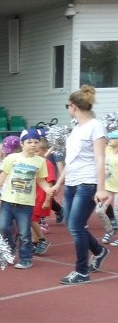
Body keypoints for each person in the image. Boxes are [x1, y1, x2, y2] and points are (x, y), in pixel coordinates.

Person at [52, 85, 110, 284]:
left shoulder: (96, 126)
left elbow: (100, 159)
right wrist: (60, 182)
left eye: (68, 105)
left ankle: (81, 271)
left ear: (74, 106)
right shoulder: (76, 128)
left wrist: (101, 188)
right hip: (72, 182)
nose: (68, 108)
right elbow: (71, 160)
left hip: (88, 182)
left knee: (76, 226)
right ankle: (100, 251)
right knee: (71, 223)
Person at [0, 129, 53, 269]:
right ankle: (11, 247)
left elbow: (41, 180)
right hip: (7, 200)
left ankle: (26, 258)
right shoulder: (12, 158)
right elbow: (2, 176)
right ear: (22, 143)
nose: (33, 145)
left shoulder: (40, 161)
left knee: (24, 233)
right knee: (2, 227)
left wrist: (48, 189)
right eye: (29, 142)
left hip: (25, 203)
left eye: (36, 142)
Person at [31, 139, 56, 256]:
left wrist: (47, 199)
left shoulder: (47, 164)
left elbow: (50, 183)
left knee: (32, 218)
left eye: (36, 151)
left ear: (44, 151)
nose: (34, 153)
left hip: (41, 196)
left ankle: (41, 240)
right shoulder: (34, 162)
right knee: (33, 219)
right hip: (33, 195)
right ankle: (35, 241)